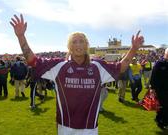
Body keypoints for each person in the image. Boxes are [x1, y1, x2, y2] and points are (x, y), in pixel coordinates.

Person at [10, 14, 144, 135]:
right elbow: (33, 61)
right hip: (65, 128)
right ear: (69, 47)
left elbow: (121, 67)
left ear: (87, 45)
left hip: (90, 128)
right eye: (74, 41)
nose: (78, 44)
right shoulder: (59, 65)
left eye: (82, 41)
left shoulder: (97, 66)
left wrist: (133, 49)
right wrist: (21, 36)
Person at [150, 48, 168, 130]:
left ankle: (162, 120)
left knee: (164, 106)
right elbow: (153, 76)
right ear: (165, 54)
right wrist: (152, 88)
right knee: (163, 105)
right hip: (160, 89)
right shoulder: (159, 63)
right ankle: (161, 121)